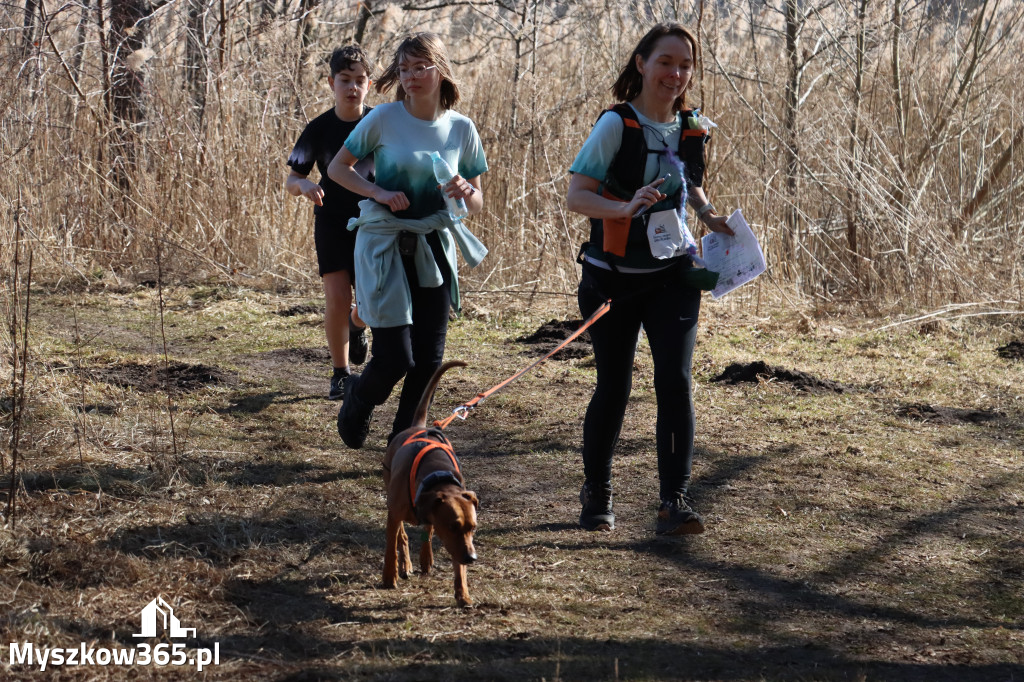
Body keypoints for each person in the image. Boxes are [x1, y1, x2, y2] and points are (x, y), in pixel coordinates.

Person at [565, 23, 734, 536]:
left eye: (685, 65)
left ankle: (673, 501)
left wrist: (710, 217)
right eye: (665, 62)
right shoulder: (617, 124)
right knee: (614, 386)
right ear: (641, 64)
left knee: (676, 383)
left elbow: (691, 185)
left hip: (673, 277)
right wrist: (624, 207)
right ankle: (597, 491)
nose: (676, 74)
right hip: (613, 279)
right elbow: (577, 196)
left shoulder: (692, 126)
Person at [327, 32, 488, 449]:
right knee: (396, 357)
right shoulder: (383, 118)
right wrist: (377, 192)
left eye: (420, 67)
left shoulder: (461, 128)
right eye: (403, 69)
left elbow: (476, 199)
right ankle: (358, 397)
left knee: (429, 359)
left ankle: (402, 443)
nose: (410, 76)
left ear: (441, 71)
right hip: (385, 245)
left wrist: (465, 191)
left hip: (434, 245)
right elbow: (337, 169)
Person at [286, 45, 373, 401]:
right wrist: (305, 185)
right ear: (330, 82)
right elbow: (292, 178)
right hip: (332, 221)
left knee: (370, 300)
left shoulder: (380, 123)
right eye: (345, 80)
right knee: (337, 297)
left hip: (374, 223)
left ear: (368, 84)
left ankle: (357, 324)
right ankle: (340, 373)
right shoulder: (318, 128)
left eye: (360, 80)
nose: (353, 87)